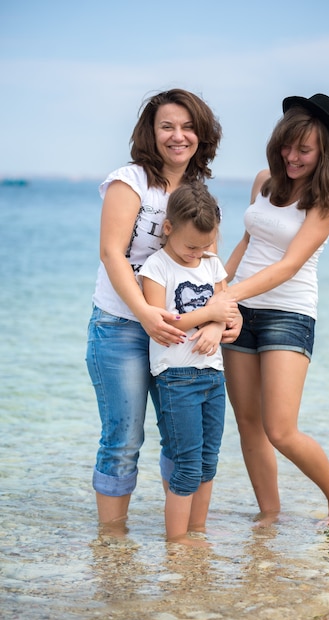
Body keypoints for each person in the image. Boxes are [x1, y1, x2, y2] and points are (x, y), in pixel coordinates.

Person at [86, 88, 240, 536]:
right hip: (121, 327)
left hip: (184, 335)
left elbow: (214, 270)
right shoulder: (129, 181)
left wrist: (224, 316)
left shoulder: (198, 194)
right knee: (124, 439)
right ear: (150, 133)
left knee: (185, 439)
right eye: (167, 126)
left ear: (202, 135)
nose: (178, 135)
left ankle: (184, 542)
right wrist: (145, 314)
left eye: (189, 126)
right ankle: (114, 548)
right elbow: (112, 254)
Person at [215, 93, 329, 526]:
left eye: (304, 150)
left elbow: (289, 265)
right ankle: (269, 516)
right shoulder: (263, 180)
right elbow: (248, 240)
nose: (292, 157)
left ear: (324, 154)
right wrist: (219, 285)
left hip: (289, 316)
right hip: (239, 312)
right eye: (287, 145)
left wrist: (228, 298)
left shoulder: (326, 203)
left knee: (280, 429)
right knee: (248, 424)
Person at [139, 180, 236, 543]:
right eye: (190, 246)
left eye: (204, 246)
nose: (197, 254)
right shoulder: (156, 267)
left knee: (209, 462)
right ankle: (176, 544)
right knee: (187, 465)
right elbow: (160, 319)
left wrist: (214, 324)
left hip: (213, 375)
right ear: (168, 228)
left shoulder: (212, 264)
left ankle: (198, 533)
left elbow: (226, 307)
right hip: (175, 377)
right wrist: (210, 313)